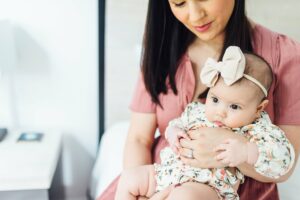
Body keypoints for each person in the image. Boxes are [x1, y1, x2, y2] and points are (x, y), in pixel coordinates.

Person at [98, 0, 300, 199]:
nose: (195, 16)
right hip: (162, 177)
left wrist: (233, 150)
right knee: (129, 180)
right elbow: (139, 138)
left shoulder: (284, 54)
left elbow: (284, 164)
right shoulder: (160, 47)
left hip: (215, 188)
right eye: (179, 3)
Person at [114, 46, 295, 200]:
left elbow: (283, 160)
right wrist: (174, 132)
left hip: (206, 186)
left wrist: (247, 151)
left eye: (234, 106)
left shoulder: (258, 129)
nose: (220, 111)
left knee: (182, 197)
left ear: (258, 109)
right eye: (215, 99)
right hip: (165, 174)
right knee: (129, 178)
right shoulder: (198, 110)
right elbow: (176, 123)